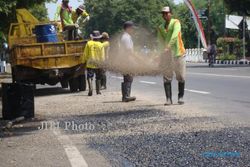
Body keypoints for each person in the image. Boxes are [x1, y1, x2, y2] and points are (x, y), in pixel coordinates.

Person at [157, 6, 186, 105]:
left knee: (181, 76)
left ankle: (180, 97)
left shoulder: (176, 22)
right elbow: (159, 42)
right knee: (167, 77)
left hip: (178, 53)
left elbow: (175, 35)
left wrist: (168, 46)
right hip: (167, 56)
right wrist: (160, 53)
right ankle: (168, 99)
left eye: (166, 13)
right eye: (163, 13)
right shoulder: (160, 27)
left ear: (171, 13)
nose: (164, 15)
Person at [82, 31, 105, 96]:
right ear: (99, 37)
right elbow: (102, 56)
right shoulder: (101, 44)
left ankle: (90, 89)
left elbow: (85, 54)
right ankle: (98, 91)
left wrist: (83, 62)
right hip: (98, 64)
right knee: (98, 77)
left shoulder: (88, 43)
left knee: (89, 77)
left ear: (92, 37)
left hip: (90, 63)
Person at [120, 21, 136, 102]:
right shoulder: (126, 37)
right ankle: (126, 96)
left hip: (126, 60)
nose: (133, 30)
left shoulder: (126, 37)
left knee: (128, 78)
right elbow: (129, 51)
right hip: (127, 61)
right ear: (128, 28)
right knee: (128, 78)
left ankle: (126, 96)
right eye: (132, 28)